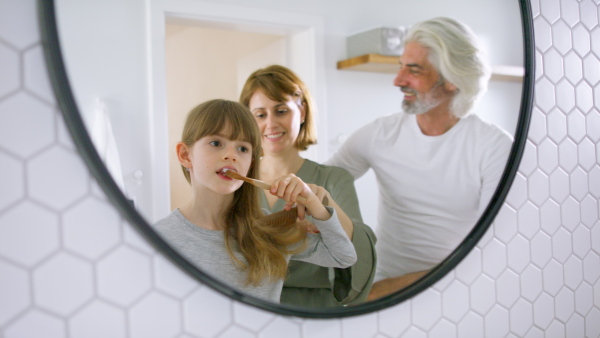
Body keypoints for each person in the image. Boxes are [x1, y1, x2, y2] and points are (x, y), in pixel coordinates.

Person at [325, 17, 513, 300]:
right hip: (384, 284)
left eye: (413, 70)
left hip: (460, 287)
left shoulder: (494, 147)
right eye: (400, 66)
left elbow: (496, 248)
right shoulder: (379, 134)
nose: (398, 80)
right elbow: (320, 182)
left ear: (452, 80)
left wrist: (394, 289)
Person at [153, 99, 357, 303]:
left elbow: (343, 256)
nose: (231, 155)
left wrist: (317, 207)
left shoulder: (269, 228)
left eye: (242, 148)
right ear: (185, 155)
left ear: (250, 163)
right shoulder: (161, 238)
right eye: (216, 143)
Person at [239, 65, 377, 307]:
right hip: (246, 305)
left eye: (281, 111)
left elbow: (359, 250)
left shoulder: (334, 179)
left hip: (314, 311)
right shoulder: (236, 182)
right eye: (260, 115)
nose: (270, 123)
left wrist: (323, 205)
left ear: (301, 112)